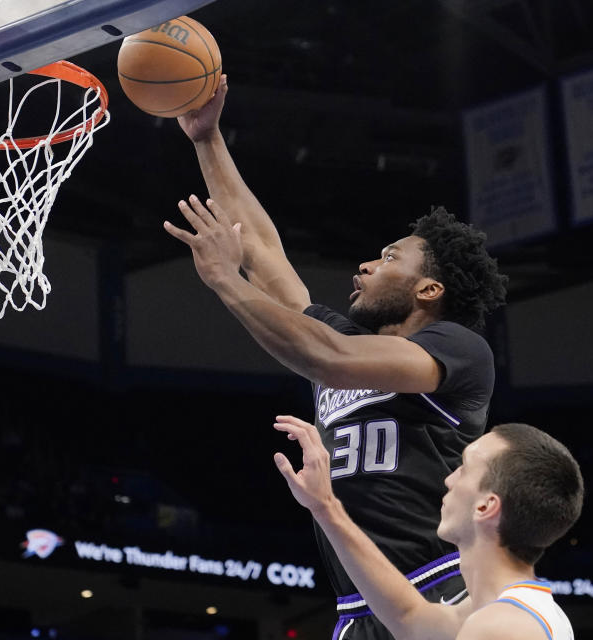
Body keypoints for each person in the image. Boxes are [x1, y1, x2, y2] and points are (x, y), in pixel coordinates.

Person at [164, 75, 508, 639]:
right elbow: (263, 250)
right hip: (356, 605)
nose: (366, 267)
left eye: (389, 258)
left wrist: (226, 281)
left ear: (428, 291)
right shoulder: (342, 338)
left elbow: (327, 357)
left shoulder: (458, 350)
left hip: (440, 588)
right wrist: (207, 140)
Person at [273, 415, 584, 640]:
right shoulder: (497, 613)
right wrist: (325, 506)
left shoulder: (503, 628)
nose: (449, 479)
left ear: (485, 506)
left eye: (463, 468)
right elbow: (408, 617)